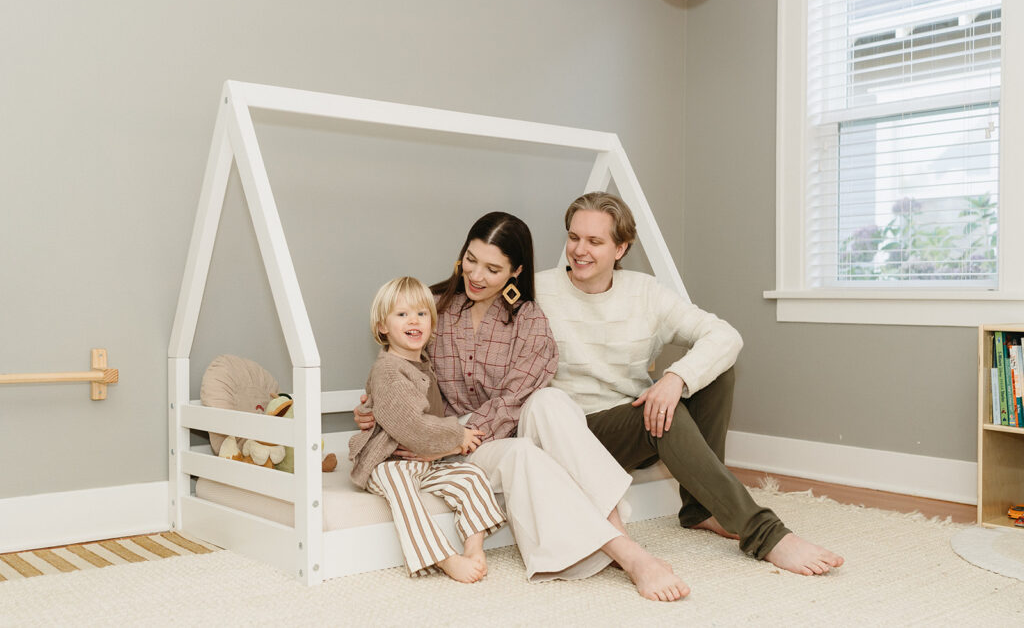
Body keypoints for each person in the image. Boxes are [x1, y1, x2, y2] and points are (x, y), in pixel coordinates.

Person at [356, 212, 690, 601]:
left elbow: (514, 402)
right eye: (471, 260)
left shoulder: (529, 320)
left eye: (493, 268)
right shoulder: (433, 310)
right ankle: (628, 554)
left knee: (548, 400)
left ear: (515, 271)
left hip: (480, 433)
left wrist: (454, 438)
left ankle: (620, 541)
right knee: (521, 454)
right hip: (447, 442)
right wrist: (376, 409)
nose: (476, 275)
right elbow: (398, 371)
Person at [534, 192, 844, 576]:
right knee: (662, 413)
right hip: (577, 433)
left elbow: (725, 336)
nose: (579, 250)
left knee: (713, 375)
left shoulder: (644, 293)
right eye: (574, 237)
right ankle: (765, 535)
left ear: (621, 248)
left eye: (595, 241)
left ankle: (701, 509)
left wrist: (675, 377)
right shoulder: (539, 291)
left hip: (632, 426)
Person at [349, 276, 506, 583]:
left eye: (421, 314)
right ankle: (443, 557)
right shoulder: (389, 370)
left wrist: (442, 449)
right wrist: (458, 436)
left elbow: (425, 425)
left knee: (471, 476)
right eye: (402, 314)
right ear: (383, 327)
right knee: (400, 482)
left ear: (432, 324)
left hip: (422, 461)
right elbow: (412, 426)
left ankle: (474, 547)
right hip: (387, 460)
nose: (414, 321)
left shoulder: (422, 363)